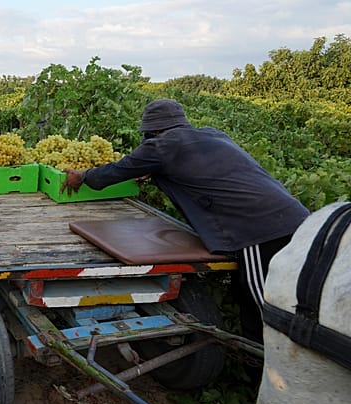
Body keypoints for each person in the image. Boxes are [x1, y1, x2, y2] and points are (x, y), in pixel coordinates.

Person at [61, 98, 310, 346]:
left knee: (263, 305)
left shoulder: (161, 146)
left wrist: (83, 177)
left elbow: (118, 169)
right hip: (298, 220)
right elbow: (198, 169)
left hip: (259, 228)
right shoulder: (214, 135)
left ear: (153, 130)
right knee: (295, 296)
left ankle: (267, 360)